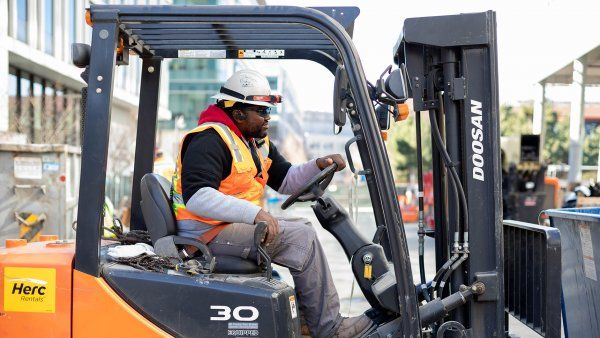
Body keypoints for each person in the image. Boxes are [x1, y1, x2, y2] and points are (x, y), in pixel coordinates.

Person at [171, 69, 373, 338]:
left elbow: (287, 179)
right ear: (239, 113)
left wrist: (317, 166)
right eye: (262, 111)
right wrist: (255, 213)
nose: (268, 117)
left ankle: (306, 321)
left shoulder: (253, 142)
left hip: (225, 227)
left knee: (301, 226)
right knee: (302, 237)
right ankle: (329, 328)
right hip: (203, 234)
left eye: (269, 110)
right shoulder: (209, 139)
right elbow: (198, 197)